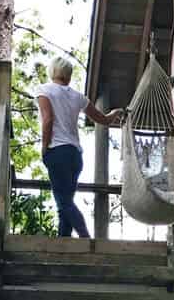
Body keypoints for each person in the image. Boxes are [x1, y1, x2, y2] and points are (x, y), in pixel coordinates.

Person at [36, 56, 122, 238]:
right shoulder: (78, 97)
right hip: (75, 155)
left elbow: (48, 119)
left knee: (63, 202)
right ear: (68, 74)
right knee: (65, 203)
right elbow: (103, 119)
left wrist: (44, 148)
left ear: (53, 71)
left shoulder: (44, 90)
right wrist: (115, 113)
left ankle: (85, 238)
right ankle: (63, 244)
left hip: (57, 151)